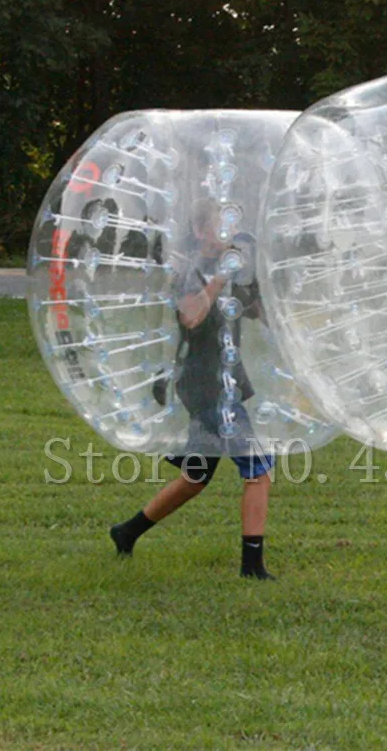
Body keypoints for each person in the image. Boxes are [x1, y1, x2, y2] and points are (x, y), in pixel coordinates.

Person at [110, 198, 276, 580]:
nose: (228, 234)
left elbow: (253, 310)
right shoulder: (189, 273)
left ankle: (126, 532)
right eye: (221, 227)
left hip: (224, 380)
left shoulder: (232, 269)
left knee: (196, 476)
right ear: (202, 232)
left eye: (230, 227)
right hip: (207, 385)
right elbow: (192, 315)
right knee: (259, 470)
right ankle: (252, 567)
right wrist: (220, 277)